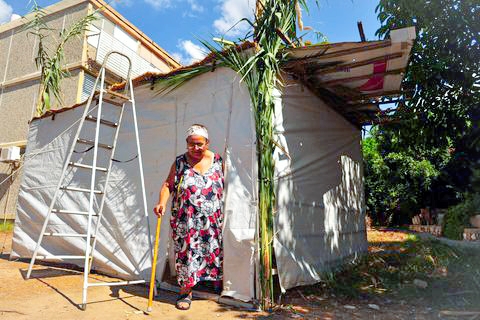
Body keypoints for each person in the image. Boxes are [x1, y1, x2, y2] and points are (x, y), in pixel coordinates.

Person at [153, 124, 224, 310]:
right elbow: (168, 185)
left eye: (200, 144)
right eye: (192, 144)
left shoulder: (218, 161)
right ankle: (185, 292)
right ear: (187, 143)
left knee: (211, 251)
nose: (196, 148)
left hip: (212, 222)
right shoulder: (180, 162)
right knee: (187, 254)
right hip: (186, 221)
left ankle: (210, 282)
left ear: (207, 143)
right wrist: (162, 202)